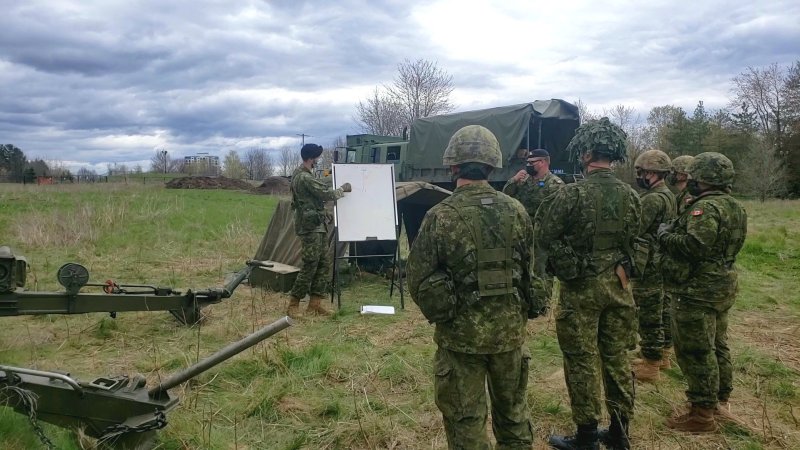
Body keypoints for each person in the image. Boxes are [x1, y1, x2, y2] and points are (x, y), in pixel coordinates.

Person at [407, 125, 544, 450]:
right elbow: (532, 270)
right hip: (509, 337)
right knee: (513, 417)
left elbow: (418, 279)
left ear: (452, 166)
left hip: (460, 342)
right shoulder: (517, 211)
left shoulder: (441, 216)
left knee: (466, 422)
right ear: (493, 165)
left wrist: (447, 308)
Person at [536, 117, 641, 450]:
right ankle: (620, 433)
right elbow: (634, 239)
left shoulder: (572, 195)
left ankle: (585, 436)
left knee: (581, 359)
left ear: (586, 154)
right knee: (618, 358)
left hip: (581, 290)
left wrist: (569, 265)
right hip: (619, 287)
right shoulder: (631, 195)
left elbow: (544, 233)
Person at [657, 152, 747, 432]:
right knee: (718, 344)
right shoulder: (735, 206)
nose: (690, 181)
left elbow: (695, 245)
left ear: (705, 179)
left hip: (697, 289)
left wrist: (665, 235)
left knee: (695, 349)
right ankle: (719, 399)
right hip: (722, 285)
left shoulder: (705, 208)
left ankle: (702, 413)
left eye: (694, 178)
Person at [287, 143, 352, 318]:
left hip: (317, 225)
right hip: (310, 228)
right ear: (311, 158)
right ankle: (293, 304)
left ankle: (314, 304)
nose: (318, 160)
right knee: (310, 265)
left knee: (323, 263)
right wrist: (342, 189)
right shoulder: (304, 178)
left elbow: (310, 201)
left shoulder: (302, 175)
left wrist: (324, 213)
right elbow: (326, 194)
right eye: (317, 157)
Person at [630, 149, 676, 382]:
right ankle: (661, 355)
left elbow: (634, 229)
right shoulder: (668, 195)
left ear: (651, 173)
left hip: (648, 264)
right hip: (660, 261)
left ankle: (650, 364)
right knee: (660, 309)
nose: (638, 176)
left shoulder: (652, 199)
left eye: (640, 172)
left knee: (648, 314)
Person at [503, 148, 565, 301]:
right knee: (520, 265)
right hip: (523, 232)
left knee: (541, 269)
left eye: (532, 162)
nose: (528, 165)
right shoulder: (524, 181)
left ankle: (542, 302)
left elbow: (560, 213)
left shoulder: (555, 184)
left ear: (543, 162)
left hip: (543, 234)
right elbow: (505, 197)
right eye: (527, 163)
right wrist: (513, 180)